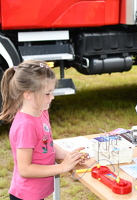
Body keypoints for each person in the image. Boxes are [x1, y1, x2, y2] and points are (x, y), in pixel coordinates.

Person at [0, 60, 89, 200]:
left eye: (52, 92)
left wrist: (68, 156)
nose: (52, 97)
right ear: (28, 94)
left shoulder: (41, 112)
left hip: (35, 194)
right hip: (25, 196)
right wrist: (62, 167)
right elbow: (25, 169)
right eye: (47, 94)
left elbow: (47, 144)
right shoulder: (26, 126)